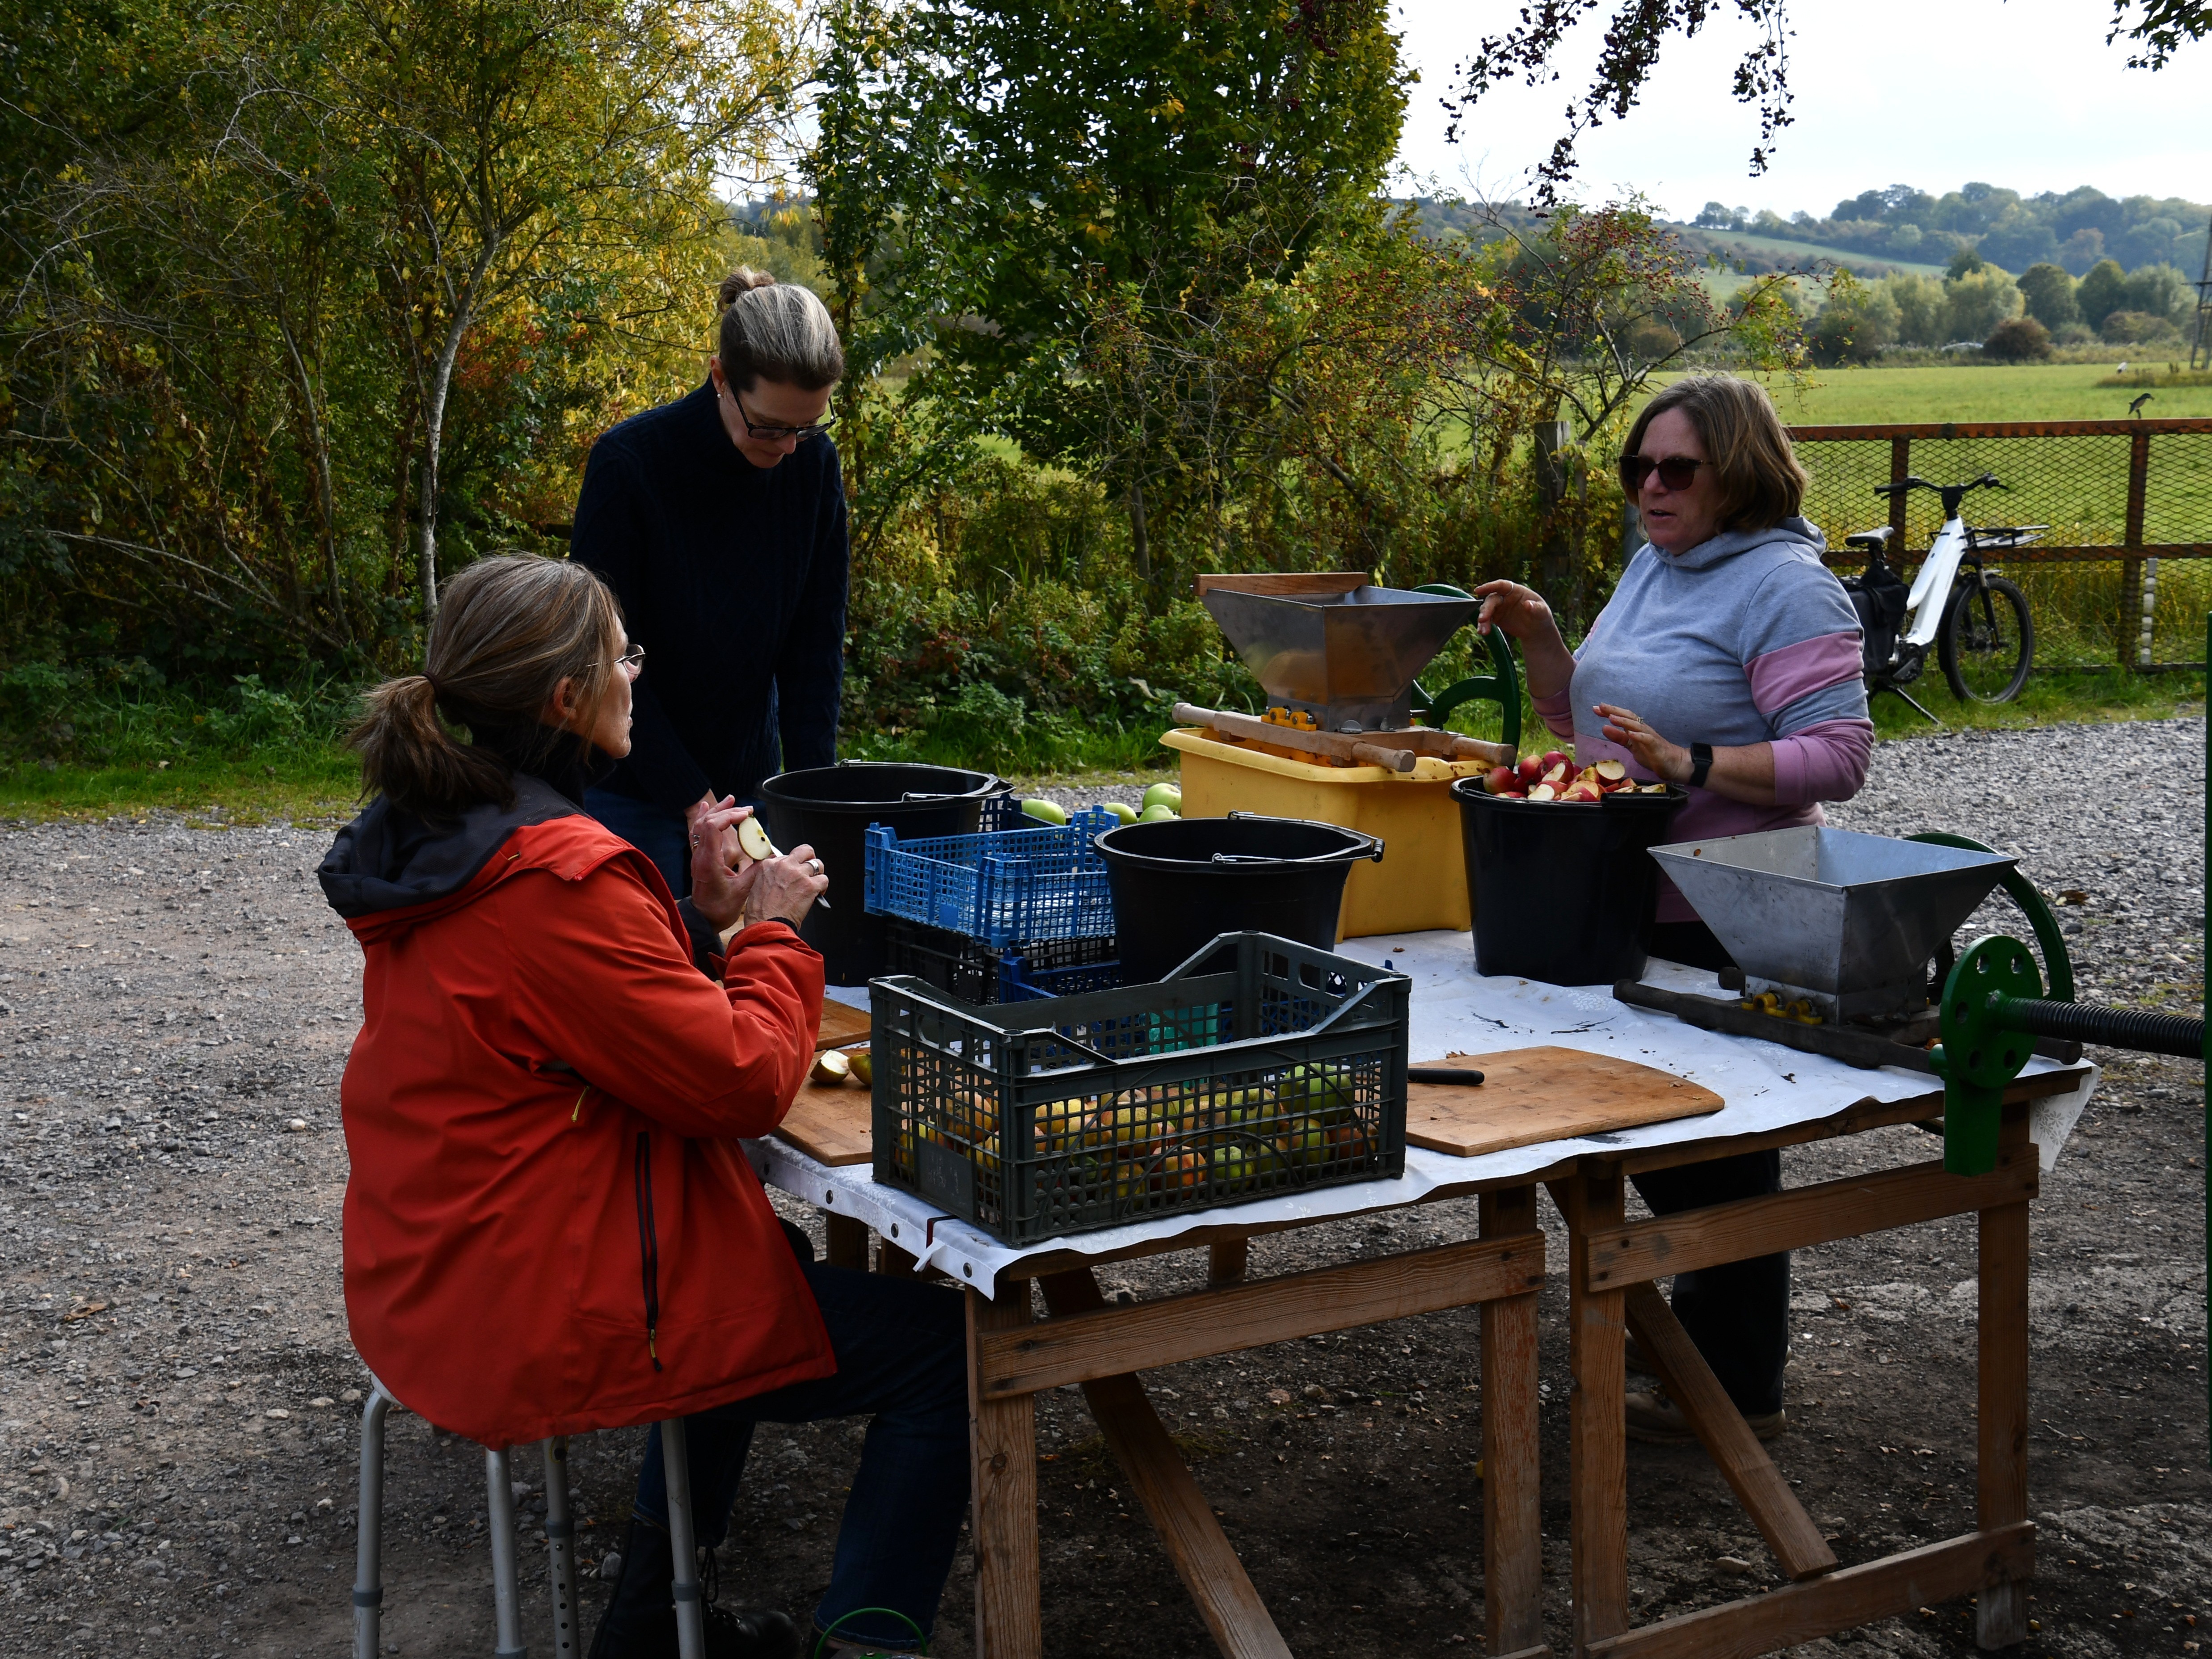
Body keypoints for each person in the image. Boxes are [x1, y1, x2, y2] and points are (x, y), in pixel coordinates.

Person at [318, 555, 968, 1659]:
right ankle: (866, 1641)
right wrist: (767, 931)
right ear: (568, 699)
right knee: (949, 1346)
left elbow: (570, 1010)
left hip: (428, 1267)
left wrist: (699, 918)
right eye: (623, 653)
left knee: (752, 1247)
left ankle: (645, 1629)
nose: (637, 672)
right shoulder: (557, 869)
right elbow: (745, 1084)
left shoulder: (439, 831)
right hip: (527, 1313)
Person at [1472, 373, 1872, 1446]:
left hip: (1728, 907)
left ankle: (1740, 1389)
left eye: (1676, 468)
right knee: (1649, 1131)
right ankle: (1692, 1361)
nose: (1651, 484)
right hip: (1625, 887)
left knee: (1716, 1149)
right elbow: (1586, 723)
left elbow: (1839, 759)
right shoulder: (1658, 562)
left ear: (1739, 474)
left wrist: (1692, 760)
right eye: (1638, 466)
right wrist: (1547, 635)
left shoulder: (1787, 588)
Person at [570, 269, 851, 897]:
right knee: (653, 975)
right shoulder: (630, 465)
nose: (787, 449)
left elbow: (815, 646)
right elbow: (603, 656)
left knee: (760, 972)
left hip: (753, 786)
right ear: (721, 379)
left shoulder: (811, 467)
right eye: (770, 427)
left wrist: (810, 799)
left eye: (807, 427)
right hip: (631, 788)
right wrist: (694, 803)